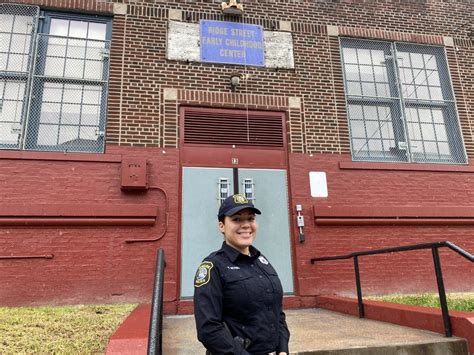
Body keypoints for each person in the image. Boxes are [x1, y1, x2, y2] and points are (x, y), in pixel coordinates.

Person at [193, 194, 290, 355]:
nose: (246, 225)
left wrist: (283, 349)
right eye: (237, 219)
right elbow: (208, 329)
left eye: (250, 218)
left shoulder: (262, 261)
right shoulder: (213, 267)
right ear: (221, 226)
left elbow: (276, 312)